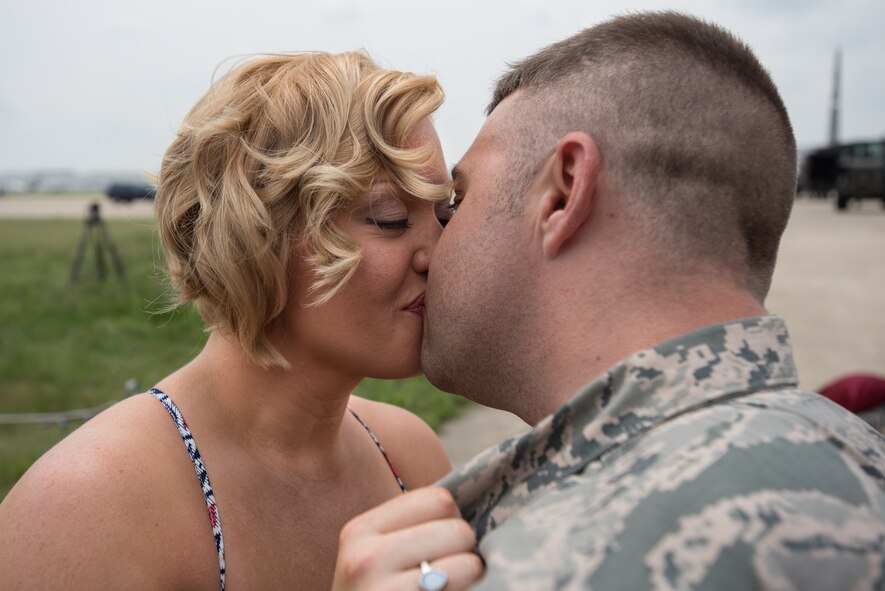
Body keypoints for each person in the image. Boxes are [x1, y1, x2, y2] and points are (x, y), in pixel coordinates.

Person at [333, 11, 885, 590]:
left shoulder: (563, 562)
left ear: (564, 192)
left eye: (457, 201)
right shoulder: (856, 453)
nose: (436, 245)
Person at [0, 51, 478, 590]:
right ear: (255, 237)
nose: (437, 253)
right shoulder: (83, 512)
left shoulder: (410, 457)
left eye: (443, 215)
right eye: (390, 219)